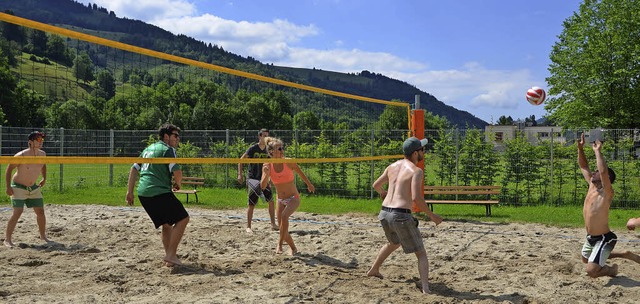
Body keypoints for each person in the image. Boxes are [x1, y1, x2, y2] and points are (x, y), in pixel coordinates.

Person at [367, 137, 443, 294]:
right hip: (400, 215)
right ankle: (426, 288)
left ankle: (374, 269)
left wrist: (383, 193)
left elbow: (376, 185)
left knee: (393, 243)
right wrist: (431, 215)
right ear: (416, 153)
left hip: (384, 213)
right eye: (422, 149)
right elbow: (416, 198)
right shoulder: (416, 171)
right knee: (421, 253)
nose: (424, 152)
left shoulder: (392, 166)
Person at [126, 123, 189, 267]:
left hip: (143, 194)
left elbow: (134, 168)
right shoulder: (168, 149)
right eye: (175, 136)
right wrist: (178, 184)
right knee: (183, 218)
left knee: (166, 225)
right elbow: (177, 172)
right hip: (158, 192)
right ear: (166, 136)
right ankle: (171, 255)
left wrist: (130, 191)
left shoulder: (148, 149)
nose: (178, 139)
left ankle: (169, 258)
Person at [577, 133, 640, 277]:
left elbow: (604, 171)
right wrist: (580, 148)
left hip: (605, 237)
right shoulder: (592, 186)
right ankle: (625, 254)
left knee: (591, 270)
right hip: (590, 237)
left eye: (596, 172)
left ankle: (612, 270)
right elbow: (583, 166)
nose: (593, 173)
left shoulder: (607, 192)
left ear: (607, 179)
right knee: (585, 259)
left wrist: (597, 151)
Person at [260, 136, 314, 255]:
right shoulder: (267, 165)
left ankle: (279, 245)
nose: (281, 150)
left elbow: (301, 173)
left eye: (282, 148)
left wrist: (309, 185)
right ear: (271, 152)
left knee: (284, 218)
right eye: (279, 149)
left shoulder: (289, 162)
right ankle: (293, 248)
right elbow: (263, 186)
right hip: (280, 200)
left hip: (293, 198)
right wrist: (266, 174)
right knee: (282, 228)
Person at [4, 131, 49, 248]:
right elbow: (9, 169)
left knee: (40, 211)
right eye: (38, 140)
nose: (41, 142)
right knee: (17, 212)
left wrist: (44, 177)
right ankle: (7, 240)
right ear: (30, 142)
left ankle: (43, 236)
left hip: (33, 187)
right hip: (18, 187)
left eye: (42, 140)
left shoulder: (42, 154)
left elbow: (43, 166)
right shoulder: (21, 156)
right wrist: (8, 187)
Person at [238, 128, 277, 233]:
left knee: (271, 201)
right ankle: (249, 226)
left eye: (267, 136)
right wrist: (240, 174)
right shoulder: (253, 148)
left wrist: (271, 178)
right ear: (259, 136)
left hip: (264, 179)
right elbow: (240, 161)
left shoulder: (269, 150)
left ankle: (273, 224)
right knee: (251, 204)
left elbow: (271, 165)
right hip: (253, 179)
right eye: (264, 135)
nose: (266, 138)